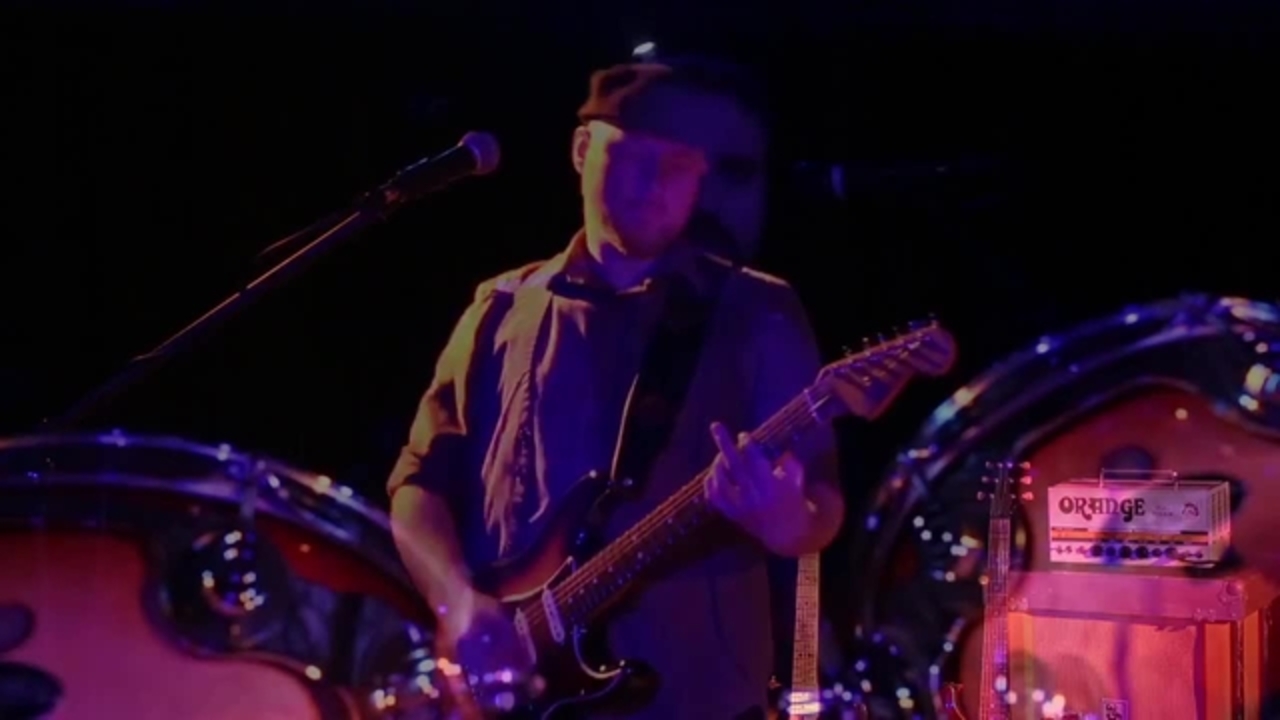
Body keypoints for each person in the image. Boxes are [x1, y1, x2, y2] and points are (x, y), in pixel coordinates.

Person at [387, 58, 844, 720]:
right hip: (515, 697)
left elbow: (822, 502)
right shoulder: (499, 306)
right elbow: (417, 484)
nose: (659, 184)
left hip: (697, 700)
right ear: (581, 150)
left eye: (683, 167)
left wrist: (786, 522)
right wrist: (458, 604)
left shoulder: (757, 310)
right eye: (636, 156)